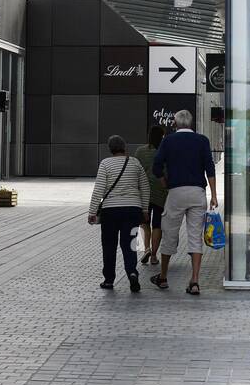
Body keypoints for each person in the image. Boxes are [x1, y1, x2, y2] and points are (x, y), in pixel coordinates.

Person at [151, 110, 217, 295]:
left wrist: (165, 183)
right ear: (191, 123)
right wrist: (213, 194)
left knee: (169, 233)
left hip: (176, 192)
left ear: (175, 123)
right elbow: (210, 168)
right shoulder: (202, 140)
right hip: (198, 192)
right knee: (195, 236)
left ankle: (163, 277)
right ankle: (195, 281)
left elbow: (156, 165)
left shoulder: (168, 141)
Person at [88, 135, 149, 292]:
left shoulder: (105, 164)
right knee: (129, 244)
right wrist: (145, 209)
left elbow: (99, 189)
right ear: (125, 147)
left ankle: (109, 279)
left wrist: (92, 211)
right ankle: (132, 273)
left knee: (109, 245)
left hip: (110, 212)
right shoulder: (135, 163)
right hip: (132, 211)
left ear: (110, 149)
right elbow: (145, 187)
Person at [133, 125, 167, 266]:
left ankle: (146, 248)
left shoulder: (140, 151)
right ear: (161, 136)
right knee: (157, 224)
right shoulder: (165, 151)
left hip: (144, 193)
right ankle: (153, 255)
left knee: (144, 222)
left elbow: (135, 170)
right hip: (161, 192)